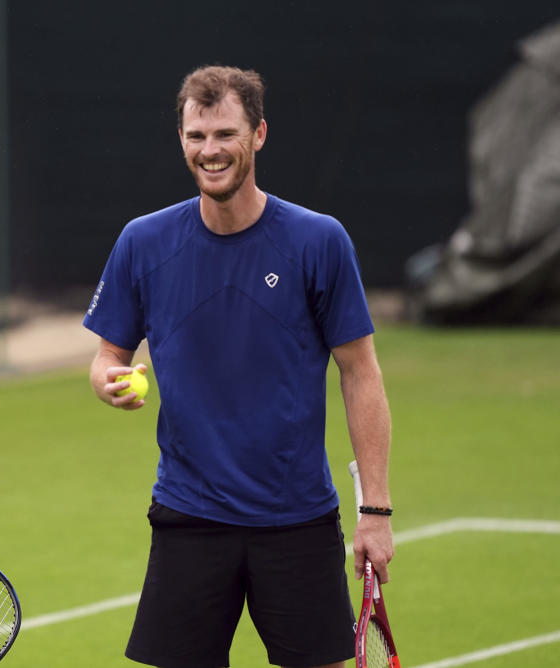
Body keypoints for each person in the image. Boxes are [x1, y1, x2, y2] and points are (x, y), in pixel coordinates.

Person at [83, 65, 394, 668]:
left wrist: (375, 512)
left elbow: (361, 372)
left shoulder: (318, 241)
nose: (210, 150)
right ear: (181, 139)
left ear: (259, 134)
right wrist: (107, 381)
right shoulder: (142, 242)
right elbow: (108, 354)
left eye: (225, 134)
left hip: (297, 518)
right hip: (189, 516)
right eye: (196, 136)